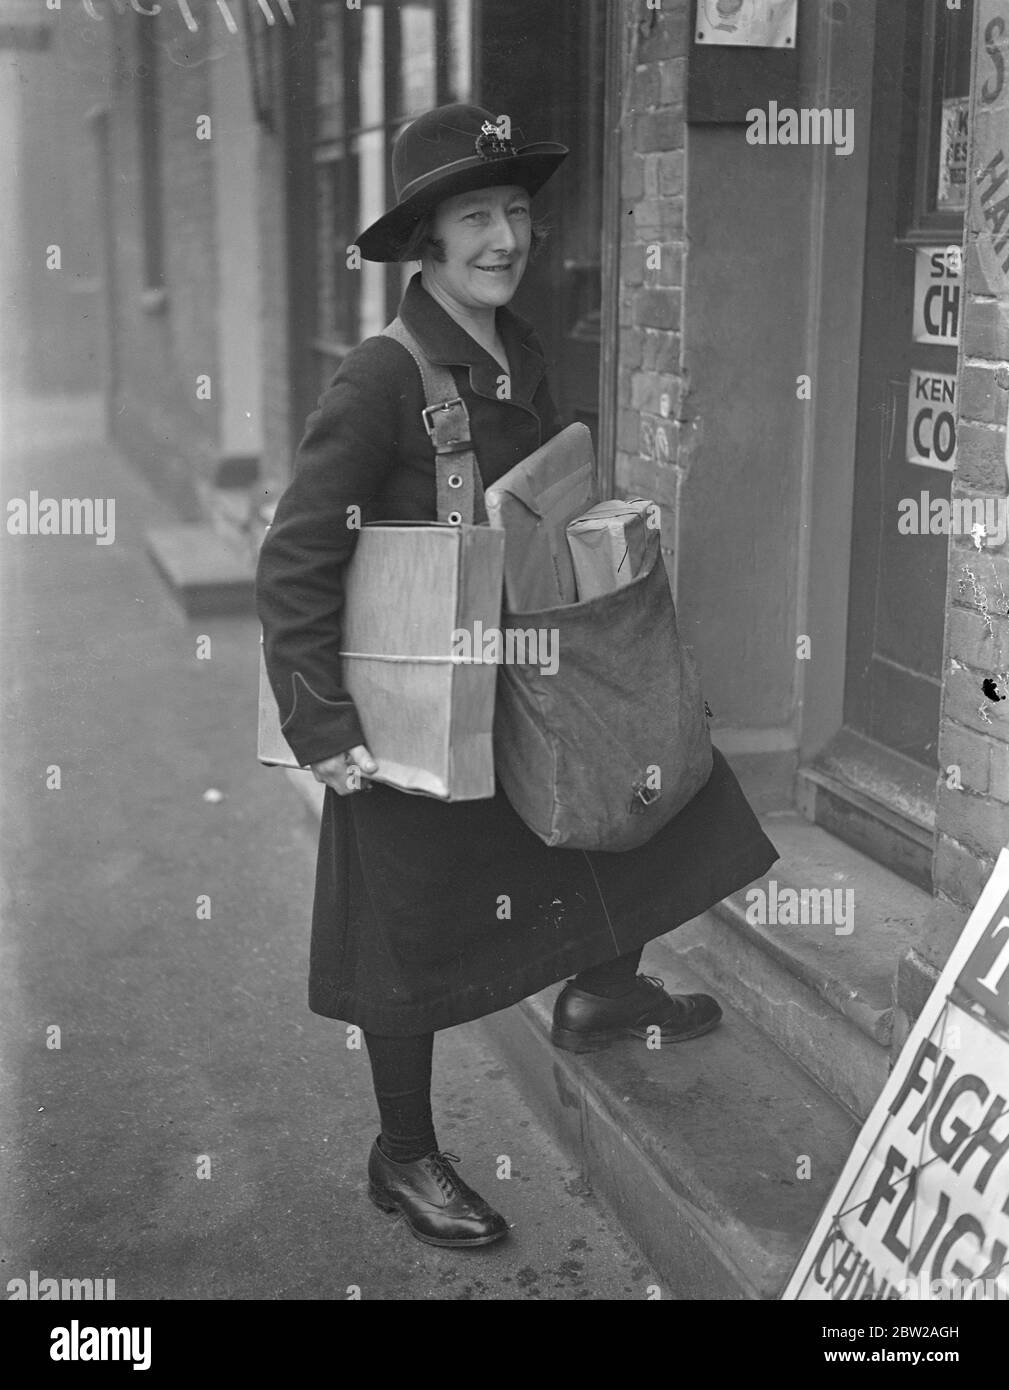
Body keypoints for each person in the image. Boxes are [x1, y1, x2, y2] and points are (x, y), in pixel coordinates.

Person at [256, 103, 779, 1250]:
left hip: (529, 673)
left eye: (517, 213)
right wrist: (319, 719)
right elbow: (296, 553)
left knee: (641, 793)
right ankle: (403, 1151)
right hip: (419, 703)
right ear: (427, 244)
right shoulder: (381, 381)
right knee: (409, 923)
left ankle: (601, 994)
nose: (505, 237)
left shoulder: (518, 348)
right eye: (475, 217)